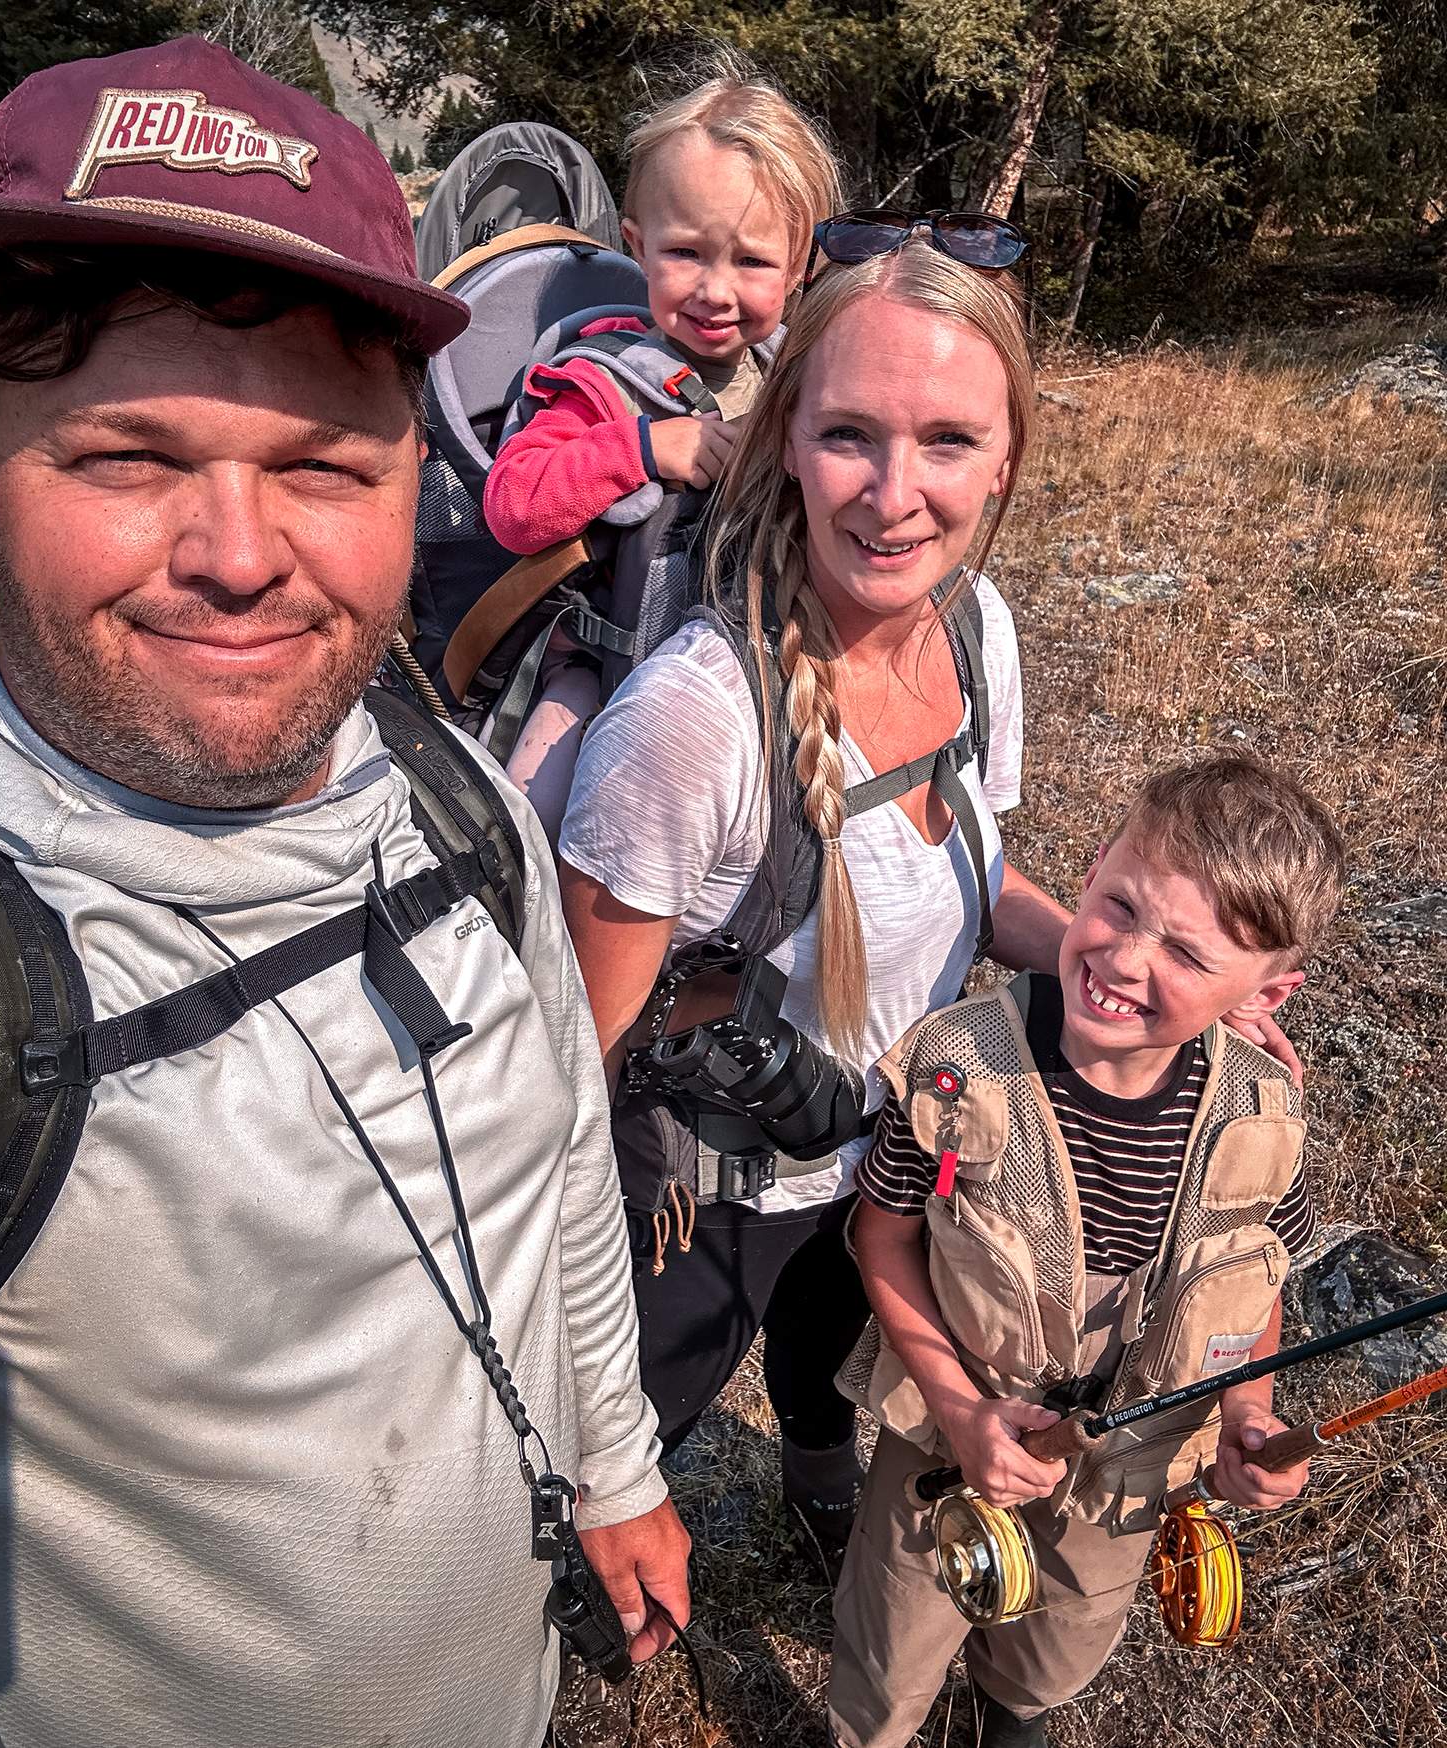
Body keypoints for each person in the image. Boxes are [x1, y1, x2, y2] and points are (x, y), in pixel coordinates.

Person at [0, 36, 686, 1748]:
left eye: (321, 465)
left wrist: (615, 1461)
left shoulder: (458, 792)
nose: (239, 552)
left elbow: (553, 1169)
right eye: (126, 455)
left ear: (409, 484)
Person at [558, 225, 1074, 1561]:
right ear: (783, 436)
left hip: (885, 1139)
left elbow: (971, 873)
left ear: (1008, 455)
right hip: (699, 1195)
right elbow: (574, 1063)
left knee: (828, 1339)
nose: (895, 495)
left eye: (950, 442)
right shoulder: (692, 724)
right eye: (850, 434)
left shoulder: (980, 630)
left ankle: (814, 1461)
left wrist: (1109, 965)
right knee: (610, 1444)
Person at [829, 752, 1347, 1748]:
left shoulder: (1263, 1114)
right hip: (952, 1436)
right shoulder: (956, 1068)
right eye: (1119, 906)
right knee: (891, 1639)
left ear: (1268, 992)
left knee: (1057, 1643)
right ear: (1097, 861)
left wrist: (1246, 1410)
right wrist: (958, 1407)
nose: (1123, 959)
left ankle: (1010, 1719)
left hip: (1134, 1470)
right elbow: (881, 1239)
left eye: (1188, 956)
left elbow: (1255, 1283)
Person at [483, 70, 842, 838]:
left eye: (751, 262)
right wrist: (643, 448)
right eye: (685, 253)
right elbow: (514, 506)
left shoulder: (791, 377)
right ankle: (521, 920)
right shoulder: (595, 385)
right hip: (607, 667)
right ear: (636, 246)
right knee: (533, 812)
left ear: (802, 266)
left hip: (759, 653)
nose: (715, 290)